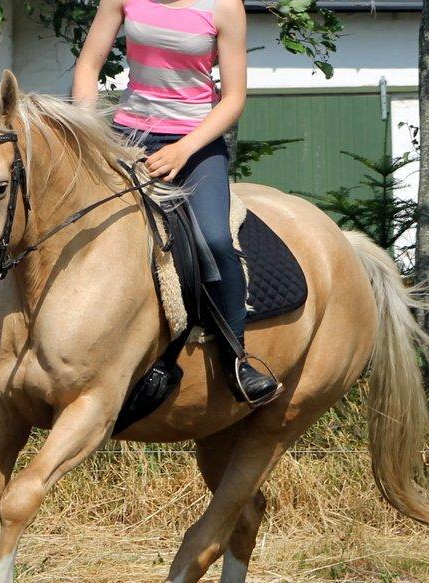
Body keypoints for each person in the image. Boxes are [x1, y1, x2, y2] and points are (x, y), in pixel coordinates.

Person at [72, 0, 282, 407]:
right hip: (127, 135)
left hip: (195, 144)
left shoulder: (225, 7)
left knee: (216, 239)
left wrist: (183, 150)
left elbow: (234, 98)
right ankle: (4, 328)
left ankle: (236, 359)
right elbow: (87, 67)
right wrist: (88, 130)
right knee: (70, 216)